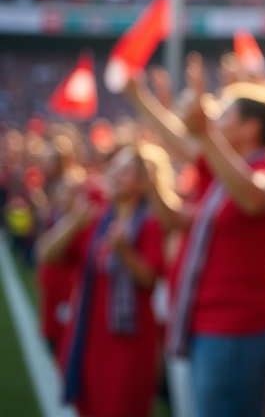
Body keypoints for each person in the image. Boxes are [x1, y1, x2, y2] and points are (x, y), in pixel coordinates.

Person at [127, 56, 265, 417]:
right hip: (214, 328)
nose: (214, 124)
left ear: (250, 129)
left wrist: (204, 133)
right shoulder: (222, 172)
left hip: (236, 330)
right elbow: (180, 215)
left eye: (223, 117)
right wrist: (139, 97)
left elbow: (254, 197)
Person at [37, 145, 170, 417]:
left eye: (126, 171)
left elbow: (149, 280)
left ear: (144, 182)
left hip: (128, 342)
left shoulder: (150, 223)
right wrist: (74, 221)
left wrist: (124, 251)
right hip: (90, 337)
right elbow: (46, 254)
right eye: (115, 169)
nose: (116, 175)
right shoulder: (96, 218)